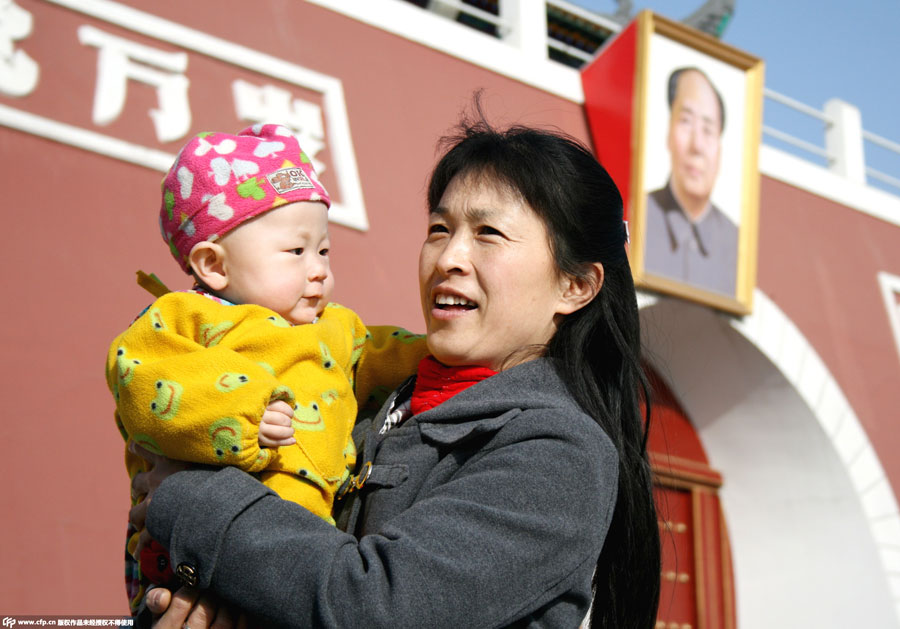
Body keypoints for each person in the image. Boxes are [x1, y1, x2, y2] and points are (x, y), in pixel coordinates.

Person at [129, 118, 661, 628]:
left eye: (489, 233)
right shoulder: (368, 403)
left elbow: (375, 607)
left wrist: (188, 495)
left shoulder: (558, 450)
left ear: (575, 286)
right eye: (439, 229)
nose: (448, 258)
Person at [106, 123, 426, 613]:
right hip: (195, 549)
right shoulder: (184, 317)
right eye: (296, 251)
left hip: (304, 546)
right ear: (214, 265)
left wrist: (445, 351)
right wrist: (244, 412)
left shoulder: (336, 326)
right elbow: (143, 379)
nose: (318, 269)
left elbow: (384, 354)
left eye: (323, 250)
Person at [644, 66, 738, 296]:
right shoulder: (636, 215)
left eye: (708, 130)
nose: (697, 145)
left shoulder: (737, 244)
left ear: (720, 150)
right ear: (668, 131)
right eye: (686, 121)